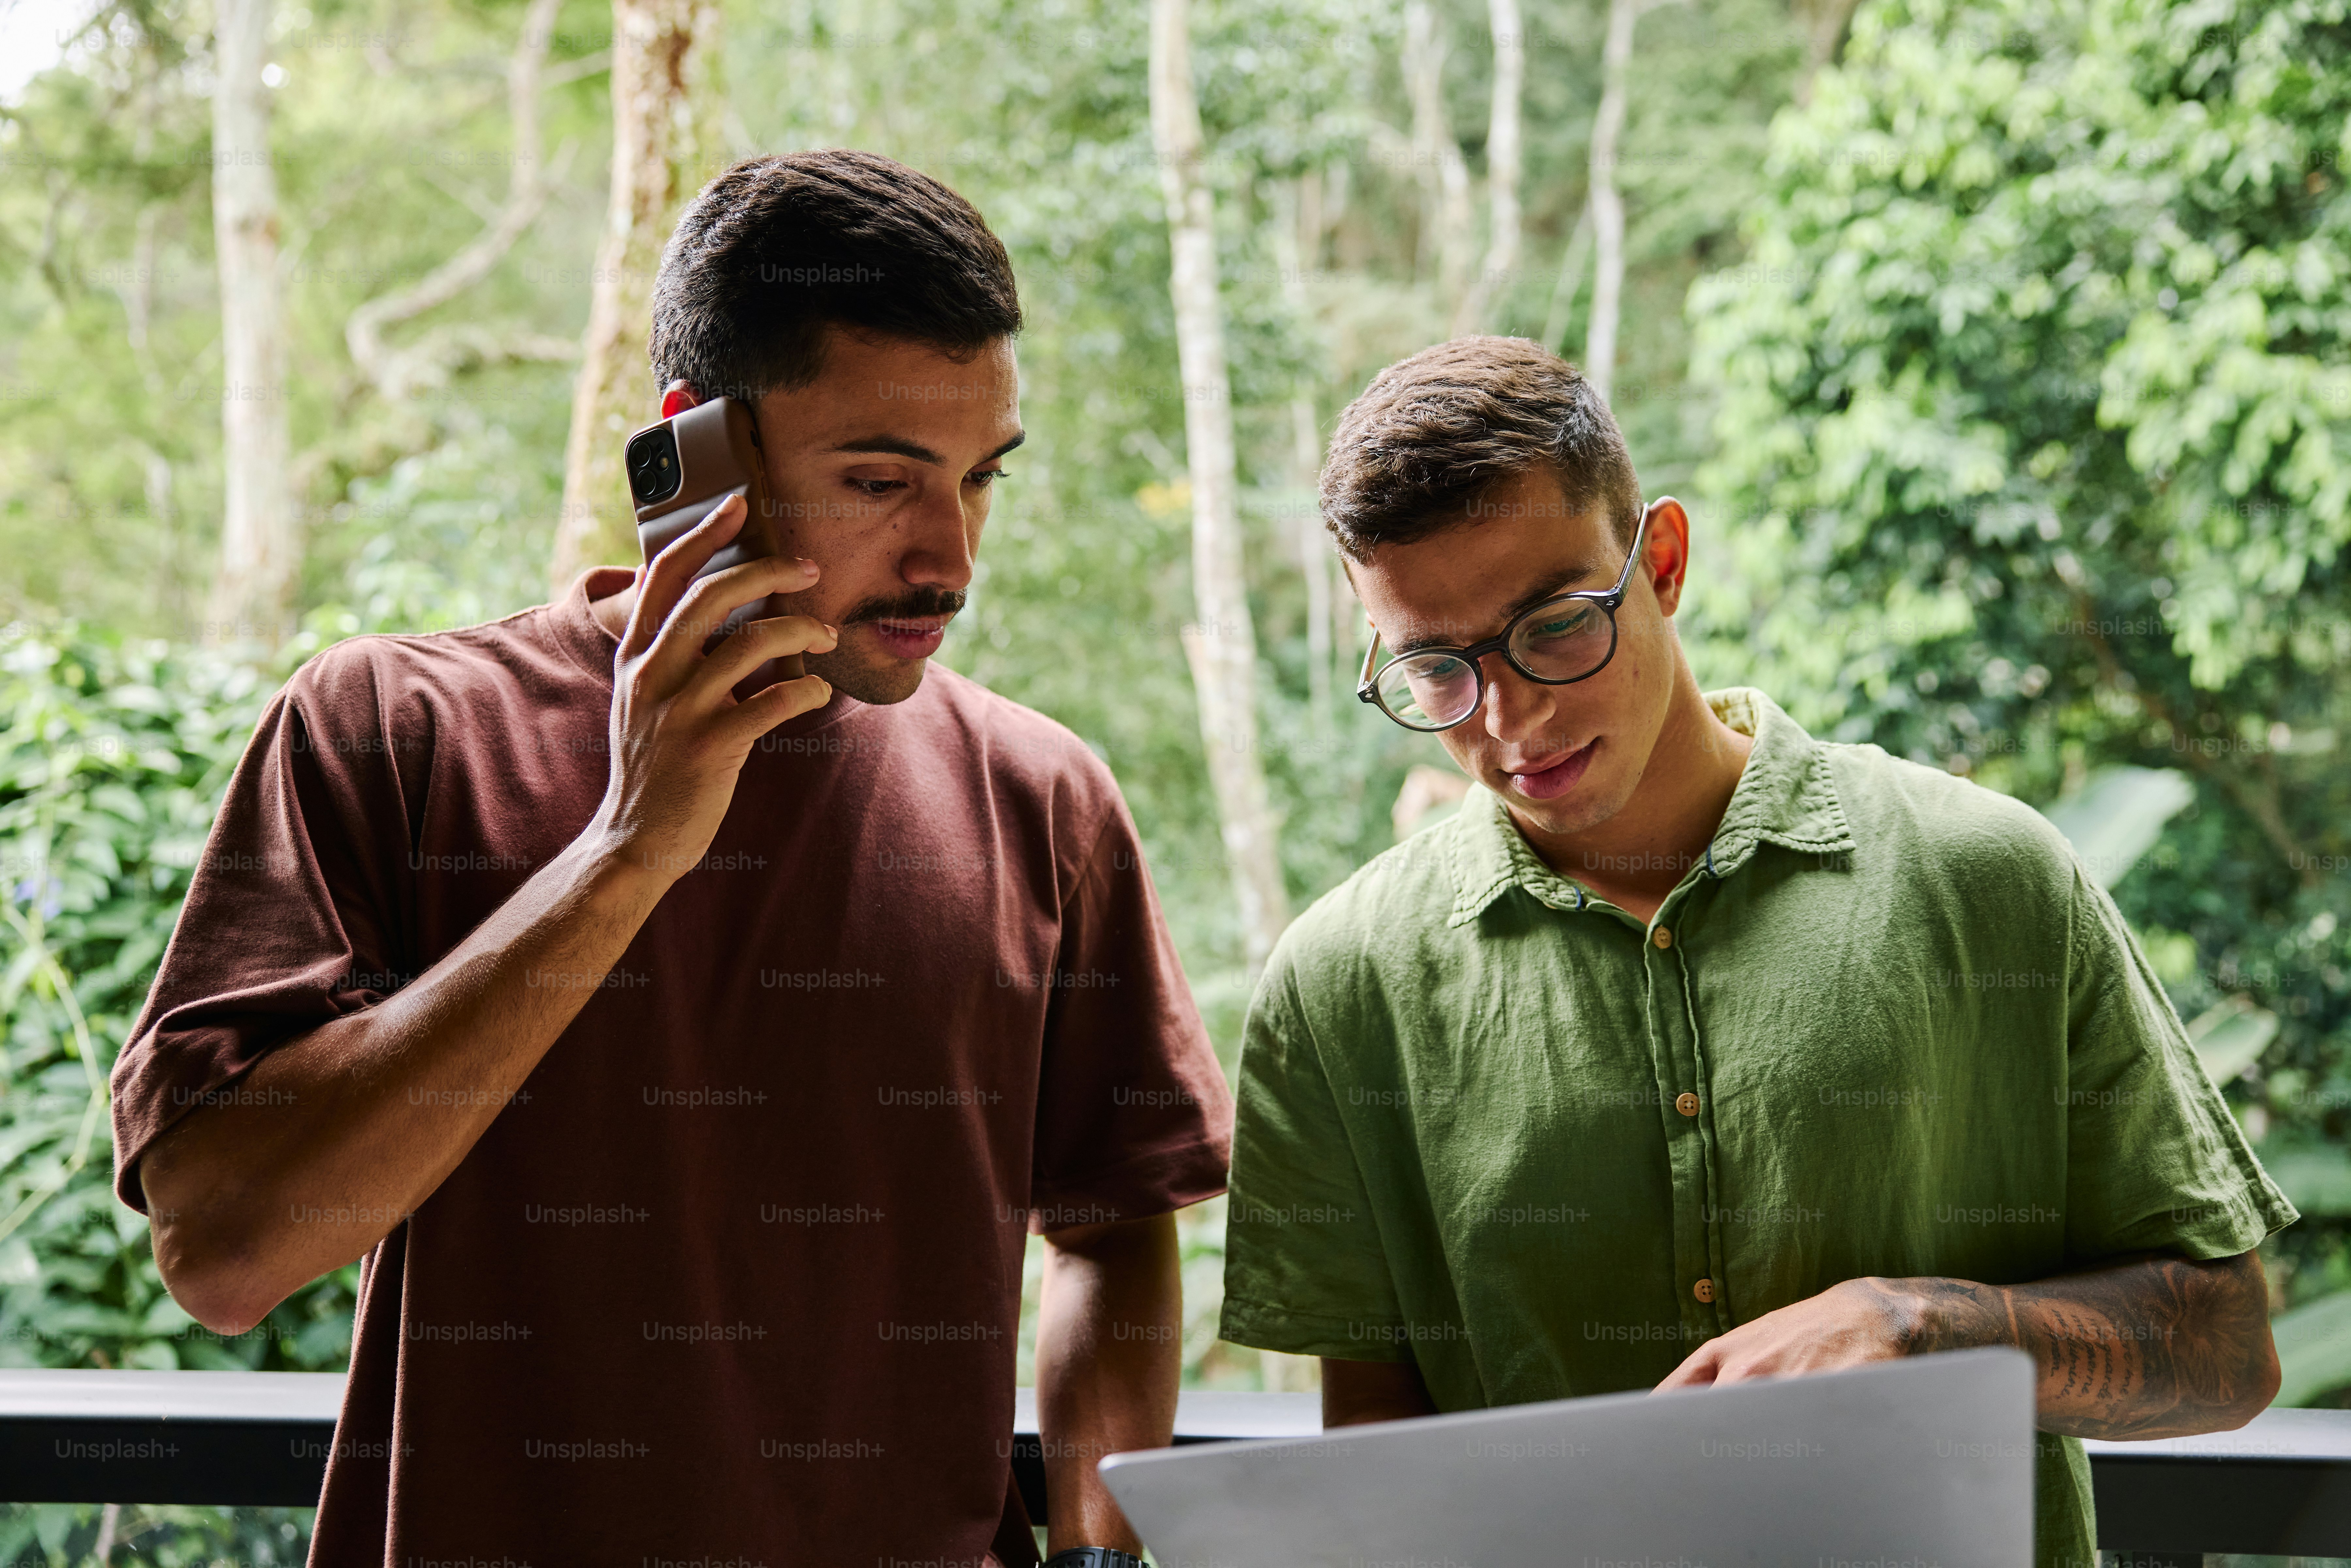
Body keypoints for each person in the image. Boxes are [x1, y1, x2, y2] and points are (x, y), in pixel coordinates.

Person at [113, 149, 1228, 1568]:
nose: (950, 555)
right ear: (690, 448)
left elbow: (1115, 1226)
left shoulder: (1044, 796)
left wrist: (1094, 1551)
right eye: (881, 479)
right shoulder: (391, 730)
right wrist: (629, 846)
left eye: (979, 479)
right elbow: (221, 1255)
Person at [1218, 335, 2295, 1568]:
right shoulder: (1338, 984)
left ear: (1661, 561)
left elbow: (2225, 1350)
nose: (1511, 717)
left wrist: (1920, 1329)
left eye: (1557, 625)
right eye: (1433, 667)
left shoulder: (1990, 877)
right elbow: (1376, 1490)